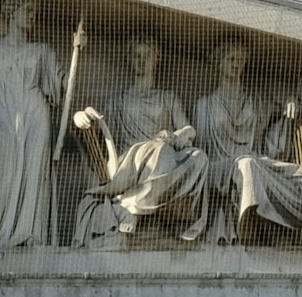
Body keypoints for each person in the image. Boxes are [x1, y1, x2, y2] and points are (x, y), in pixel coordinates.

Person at [190, 41, 302, 249]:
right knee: (247, 166)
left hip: (256, 162)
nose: (236, 65)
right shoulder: (204, 105)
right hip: (220, 167)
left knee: (301, 175)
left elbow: (278, 130)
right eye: (231, 59)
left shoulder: (257, 101)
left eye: (240, 60)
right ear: (219, 64)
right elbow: (202, 154)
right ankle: (250, 226)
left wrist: (290, 109)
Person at [71, 38, 210, 244]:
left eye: (147, 56)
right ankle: (134, 206)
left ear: (157, 60)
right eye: (136, 55)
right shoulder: (119, 101)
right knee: (160, 151)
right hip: (130, 163)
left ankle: (131, 204)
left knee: (200, 158)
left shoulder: (167, 98)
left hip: (165, 158)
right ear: (128, 60)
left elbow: (188, 129)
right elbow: (101, 134)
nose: (141, 60)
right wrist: (79, 118)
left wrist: (176, 135)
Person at [0, 0, 63, 251]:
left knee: (34, 175)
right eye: (28, 9)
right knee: (5, 176)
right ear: (11, 11)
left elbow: (59, 90)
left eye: (34, 11)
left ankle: (31, 236)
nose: (33, 16)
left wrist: (76, 57)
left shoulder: (43, 51)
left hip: (35, 114)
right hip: (4, 115)